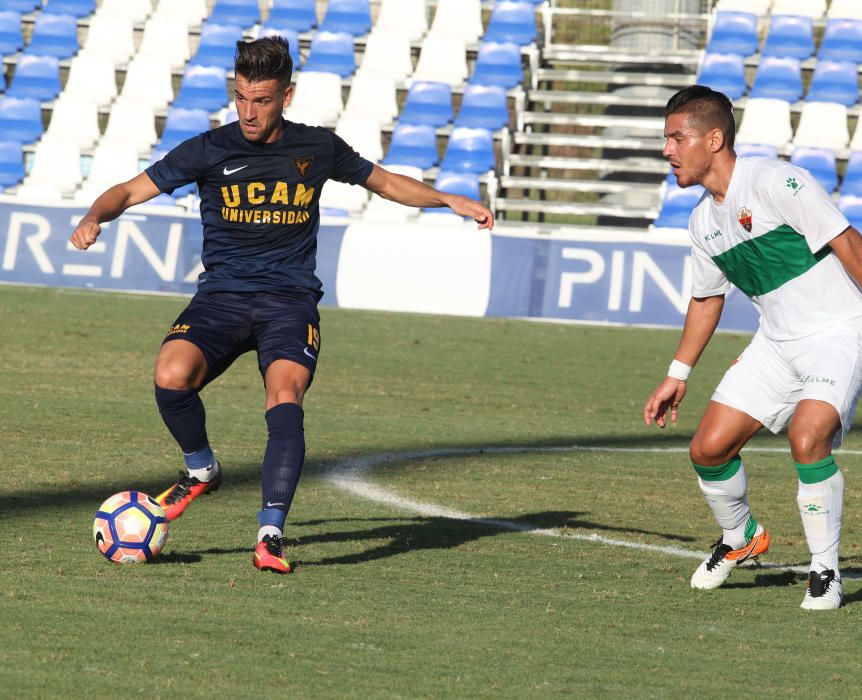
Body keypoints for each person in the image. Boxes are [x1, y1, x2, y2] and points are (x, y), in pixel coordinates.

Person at [70, 37, 494, 575]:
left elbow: (385, 182)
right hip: (221, 297)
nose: (249, 111)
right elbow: (128, 192)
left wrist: (449, 200)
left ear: (285, 96)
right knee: (170, 375)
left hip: (289, 302)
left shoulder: (317, 148)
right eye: (242, 98)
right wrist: (93, 217)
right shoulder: (209, 148)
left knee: (284, 397)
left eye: (262, 100)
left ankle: (270, 532)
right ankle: (200, 470)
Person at [643, 85, 862, 610]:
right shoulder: (702, 221)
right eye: (666, 139)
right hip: (776, 343)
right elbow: (704, 300)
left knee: (808, 437)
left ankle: (826, 573)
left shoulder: (775, 181)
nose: (668, 150)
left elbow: (847, 243)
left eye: (677, 137)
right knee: (708, 449)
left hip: (839, 331)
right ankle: (742, 536)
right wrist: (678, 373)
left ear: (713, 138)